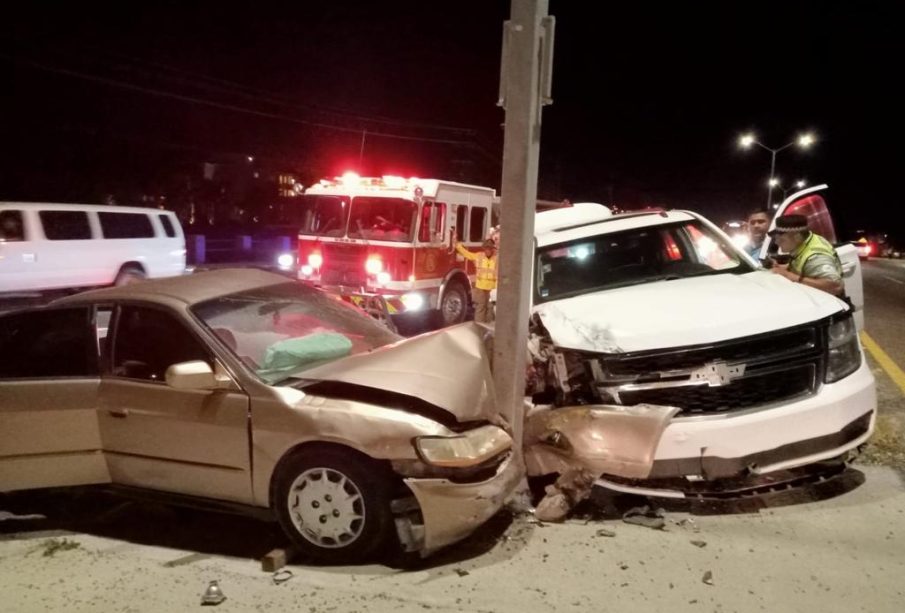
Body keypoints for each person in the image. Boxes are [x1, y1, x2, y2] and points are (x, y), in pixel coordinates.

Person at [768, 214, 844, 296]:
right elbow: (806, 266)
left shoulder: (816, 257)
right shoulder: (805, 242)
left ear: (797, 237)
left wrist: (788, 275)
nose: (776, 242)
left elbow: (836, 287)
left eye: (782, 239)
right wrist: (786, 268)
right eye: (776, 238)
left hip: (828, 305)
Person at [454, 232, 498, 323]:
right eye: (487, 248)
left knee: (490, 307)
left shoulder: (497, 259)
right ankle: (479, 326)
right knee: (480, 307)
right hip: (481, 288)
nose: (488, 250)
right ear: (484, 249)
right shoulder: (479, 256)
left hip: (492, 288)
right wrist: (457, 245)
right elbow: (466, 254)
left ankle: (488, 327)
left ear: (493, 249)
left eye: (490, 248)